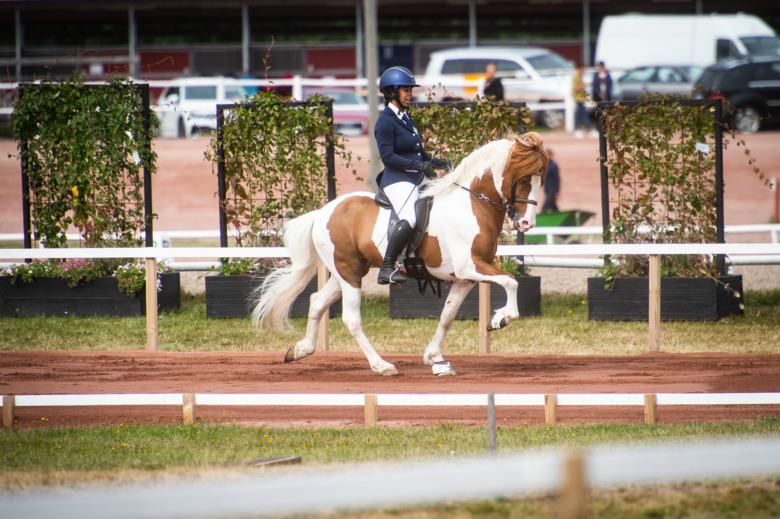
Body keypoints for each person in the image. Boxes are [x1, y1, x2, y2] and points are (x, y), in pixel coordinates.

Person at [374, 66, 450, 285]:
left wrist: (438, 162)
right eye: (405, 89)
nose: (409, 93)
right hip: (397, 180)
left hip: (415, 177)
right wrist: (419, 165)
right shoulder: (385, 122)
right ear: (391, 92)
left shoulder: (408, 120)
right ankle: (387, 267)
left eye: (410, 89)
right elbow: (388, 158)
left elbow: (421, 154)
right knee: (410, 217)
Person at [571, 64, 593, 138]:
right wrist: (583, 86)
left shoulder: (579, 75)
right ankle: (587, 129)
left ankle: (578, 129)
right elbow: (575, 87)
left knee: (580, 114)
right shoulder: (576, 76)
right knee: (583, 114)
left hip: (581, 98)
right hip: (578, 98)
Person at [541, 149, 560, 213]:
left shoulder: (553, 165)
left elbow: (557, 179)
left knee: (544, 208)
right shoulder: (545, 165)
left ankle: (540, 220)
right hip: (546, 188)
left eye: (546, 155)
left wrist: (557, 192)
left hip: (552, 190)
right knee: (553, 207)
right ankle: (560, 219)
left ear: (550, 155)